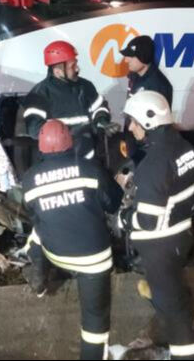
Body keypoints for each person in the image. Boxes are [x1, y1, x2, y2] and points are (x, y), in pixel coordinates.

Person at [21, 120, 124, 360]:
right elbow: (113, 204)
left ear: (41, 147)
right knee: (95, 322)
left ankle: (39, 269)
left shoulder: (29, 178)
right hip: (94, 259)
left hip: (57, 254)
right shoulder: (90, 168)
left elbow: (33, 215)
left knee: (38, 231)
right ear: (70, 142)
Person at [118, 91, 194, 360]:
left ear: (148, 121)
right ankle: (166, 295)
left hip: (160, 246)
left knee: (175, 316)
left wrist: (121, 220)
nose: (130, 128)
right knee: (171, 290)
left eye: (133, 122)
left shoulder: (154, 164)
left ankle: (186, 352)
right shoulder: (184, 147)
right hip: (181, 236)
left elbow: (148, 221)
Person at [22, 40, 118, 161]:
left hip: (88, 158)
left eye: (76, 64)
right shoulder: (39, 94)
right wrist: (70, 132)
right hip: (58, 161)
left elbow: (99, 107)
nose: (77, 69)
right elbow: (34, 130)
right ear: (58, 71)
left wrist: (102, 121)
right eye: (72, 66)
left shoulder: (85, 86)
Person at [121, 35, 173, 107]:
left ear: (144, 57)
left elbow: (157, 117)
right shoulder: (135, 76)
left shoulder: (158, 86)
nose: (126, 60)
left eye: (131, 56)